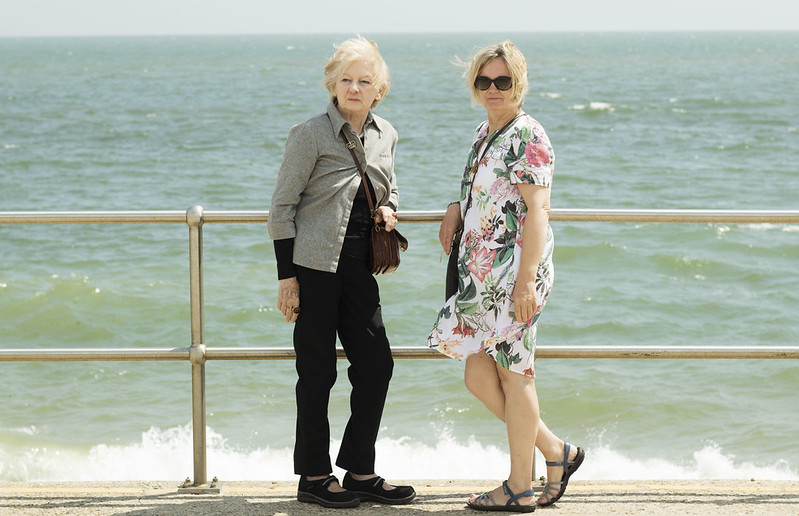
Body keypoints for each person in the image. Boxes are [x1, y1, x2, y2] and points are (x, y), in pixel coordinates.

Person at [428, 41, 584, 512]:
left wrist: (526, 282)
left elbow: (537, 212)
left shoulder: (528, 135)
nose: (493, 89)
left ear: (519, 84)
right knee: (479, 375)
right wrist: (457, 207)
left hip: (514, 277)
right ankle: (556, 452)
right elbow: (488, 192)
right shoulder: (486, 132)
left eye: (503, 81)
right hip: (481, 281)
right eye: (484, 81)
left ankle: (520, 487)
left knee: (516, 378)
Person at [267, 36, 415, 509]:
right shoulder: (309, 134)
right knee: (317, 373)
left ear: (380, 88)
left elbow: (391, 189)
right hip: (312, 270)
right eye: (346, 79)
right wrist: (286, 278)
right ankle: (313, 477)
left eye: (364, 81)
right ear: (332, 84)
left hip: (359, 269)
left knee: (376, 365)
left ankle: (359, 471)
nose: (354, 88)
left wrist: (390, 208)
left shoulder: (386, 134)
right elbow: (281, 209)